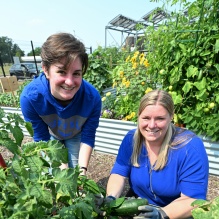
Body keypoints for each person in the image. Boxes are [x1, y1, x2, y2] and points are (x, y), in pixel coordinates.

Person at [106, 90, 209, 219]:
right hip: (139, 205)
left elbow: (193, 200)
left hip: (176, 212)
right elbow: (118, 174)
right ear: (138, 116)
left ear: (171, 117)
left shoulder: (189, 148)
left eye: (160, 118)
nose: (151, 125)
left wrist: (162, 214)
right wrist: (111, 198)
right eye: (146, 118)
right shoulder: (131, 139)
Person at [20, 32, 101, 175]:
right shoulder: (31, 97)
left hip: (76, 134)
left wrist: (81, 173)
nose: (69, 82)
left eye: (76, 73)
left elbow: (88, 136)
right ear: (45, 69)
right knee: (57, 174)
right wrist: (62, 171)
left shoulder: (92, 98)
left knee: (76, 172)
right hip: (51, 135)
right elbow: (41, 137)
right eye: (62, 72)